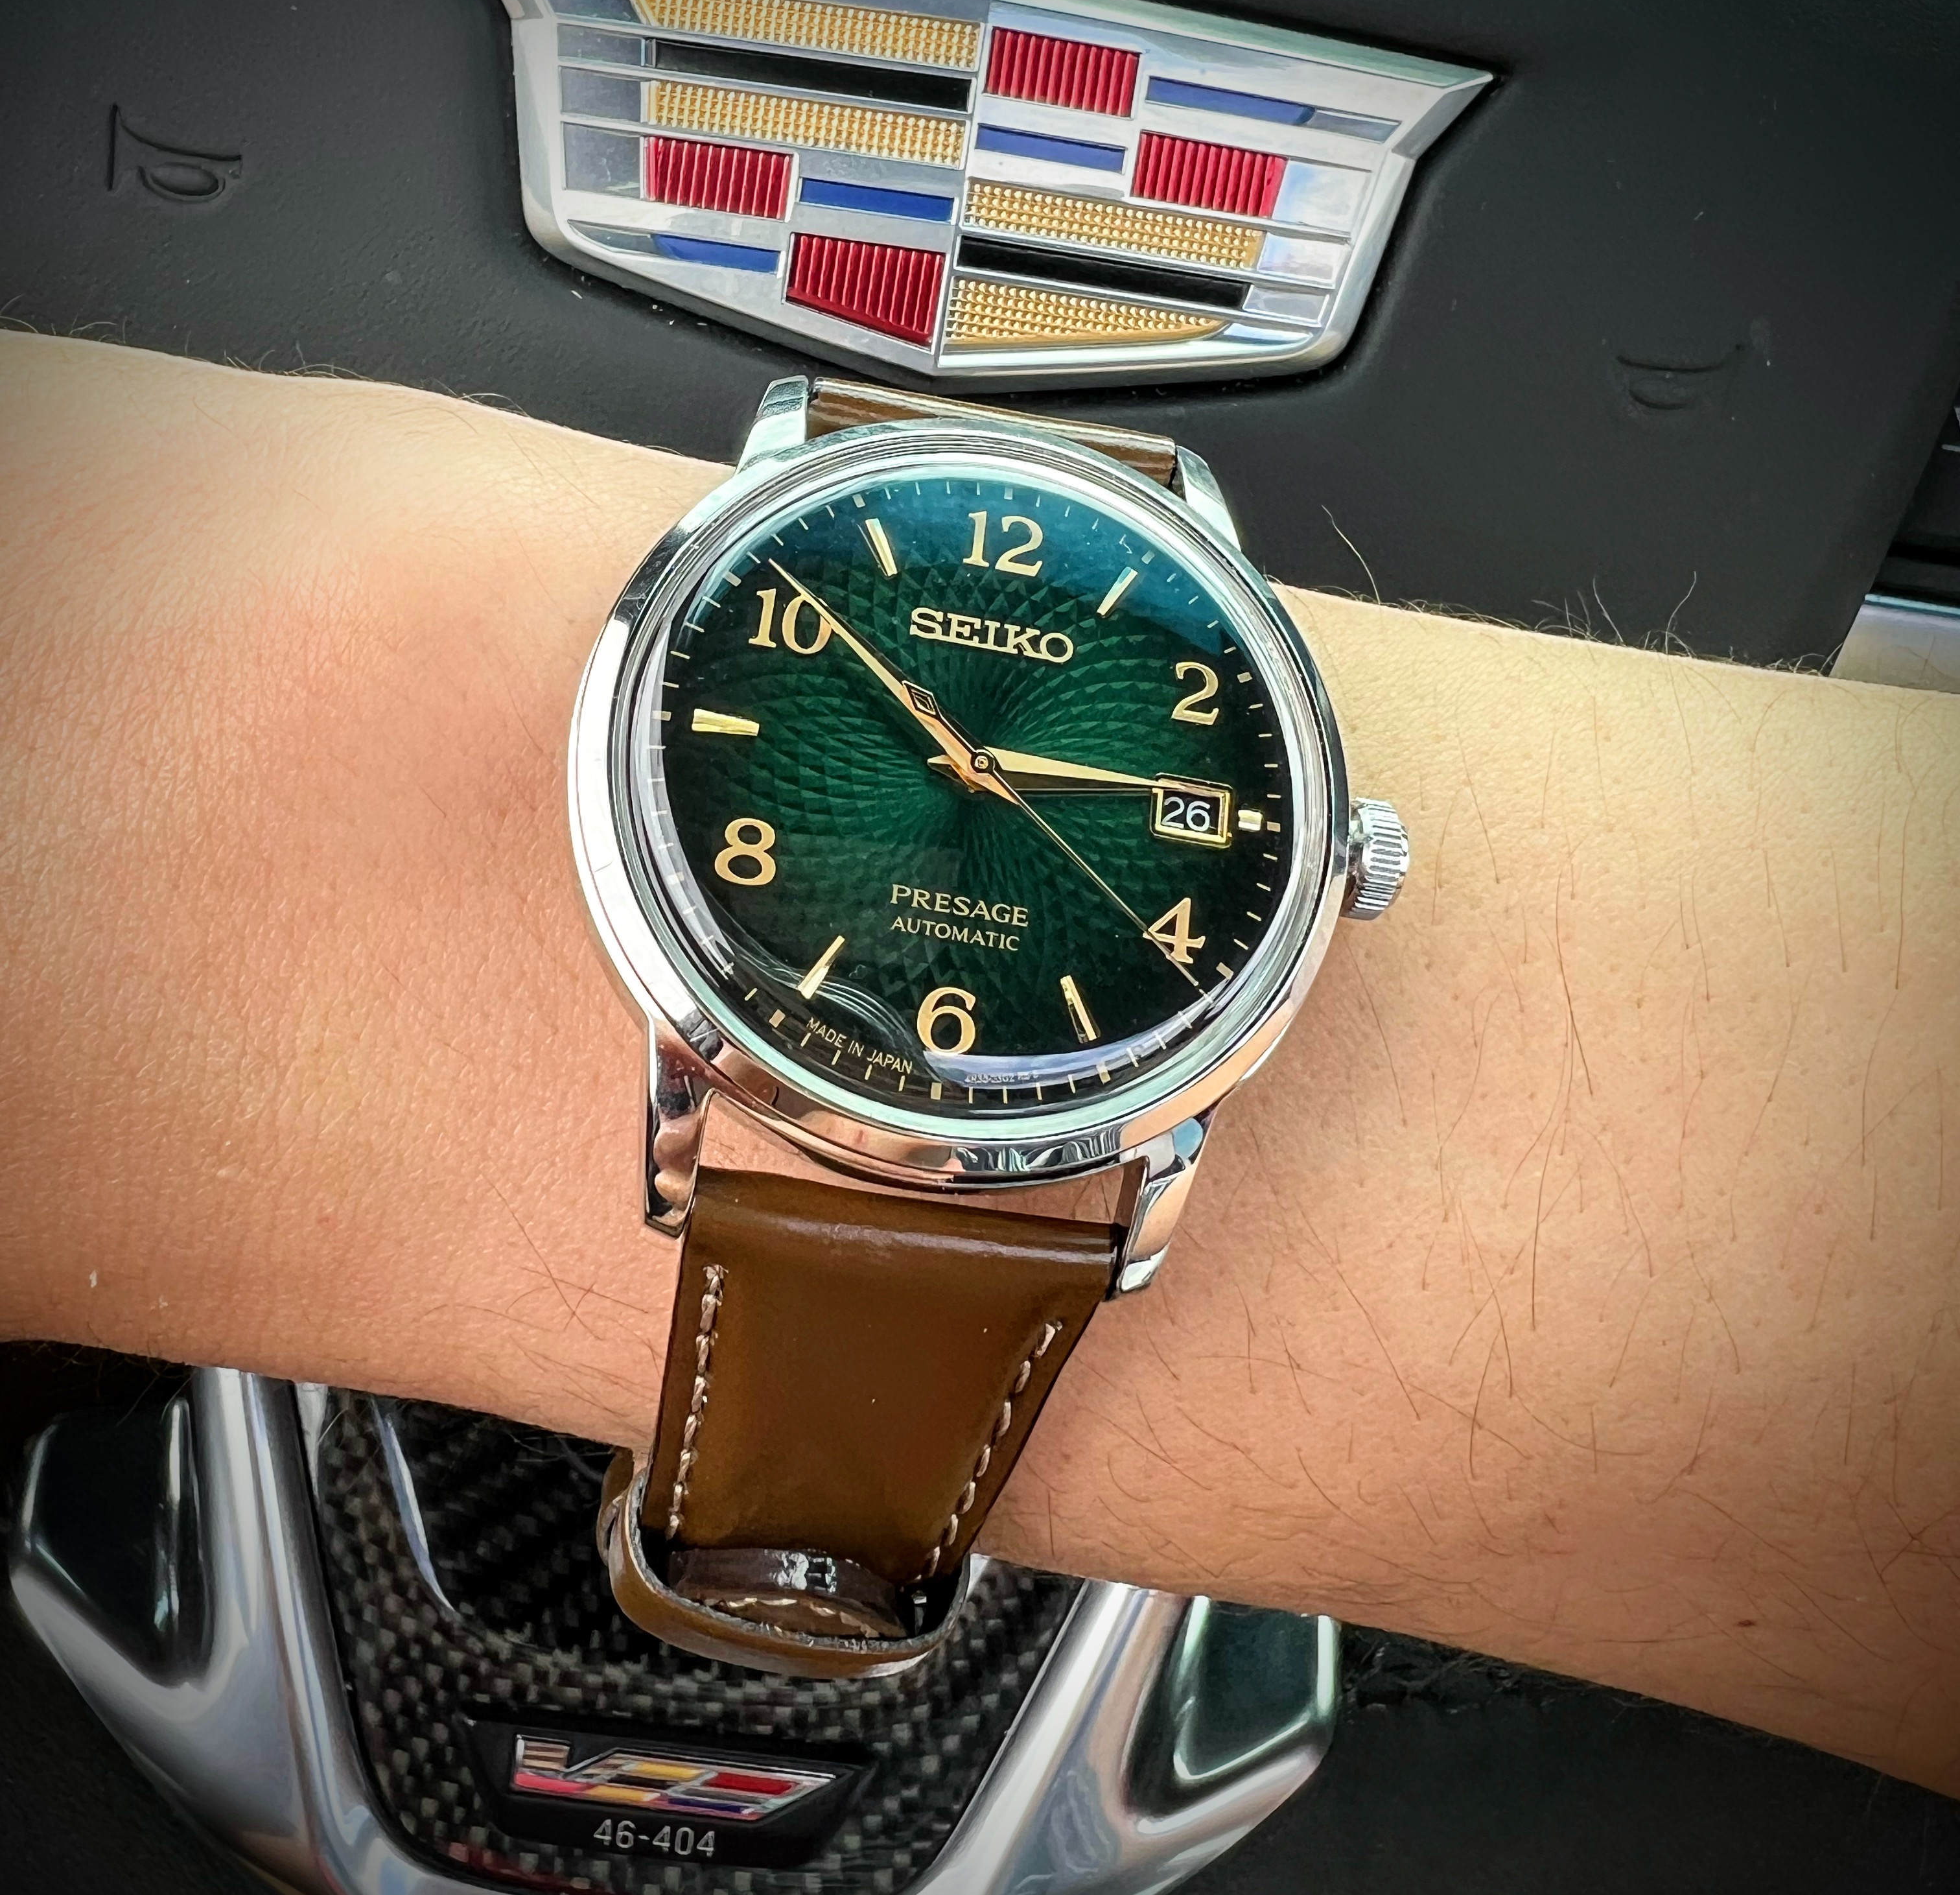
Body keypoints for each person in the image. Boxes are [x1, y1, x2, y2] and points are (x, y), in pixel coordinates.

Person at [2, 332, 1955, 1795]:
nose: (972, 767)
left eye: (992, 759)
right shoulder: (728, 730)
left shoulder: (1222, 939)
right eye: (963, 755)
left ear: (1342, 860)